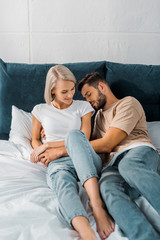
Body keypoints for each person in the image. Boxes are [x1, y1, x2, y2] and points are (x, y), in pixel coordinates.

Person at [30, 65, 114, 240]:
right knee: (62, 183)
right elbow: (35, 139)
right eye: (64, 92)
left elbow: (83, 137)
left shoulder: (83, 107)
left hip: (85, 157)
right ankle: (86, 231)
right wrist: (39, 149)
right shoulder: (40, 110)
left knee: (74, 135)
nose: (70, 96)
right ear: (52, 90)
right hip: (59, 164)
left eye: (71, 90)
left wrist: (51, 146)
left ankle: (97, 206)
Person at [73, 72, 160, 240]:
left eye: (89, 94)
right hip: (113, 164)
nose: (88, 101)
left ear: (101, 87)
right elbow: (91, 146)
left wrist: (62, 149)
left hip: (138, 152)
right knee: (106, 188)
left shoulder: (128, 103)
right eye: (84, 98)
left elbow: (107, 144)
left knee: (129, 166)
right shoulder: (97, 117)